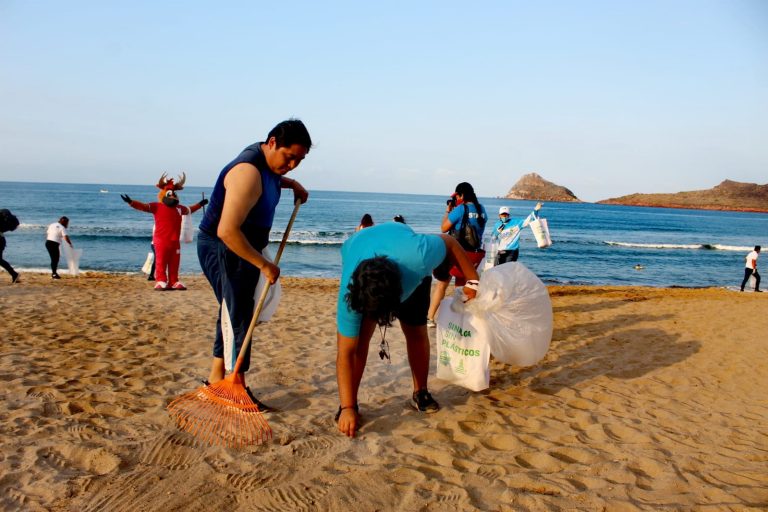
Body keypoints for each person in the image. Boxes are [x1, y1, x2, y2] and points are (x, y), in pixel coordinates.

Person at [197, 119, 312, 406]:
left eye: (300, 160)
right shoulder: (247, 172)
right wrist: (263, 264)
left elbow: (274, 175)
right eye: (290, 157)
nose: (293, 165)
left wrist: (291, 183)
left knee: (233, 309)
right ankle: (235, 386)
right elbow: (226, 231)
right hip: (225, 245)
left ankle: (216, 377)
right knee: (239, 315)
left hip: (245, 244)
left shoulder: (270, 164)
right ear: (272, 142)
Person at [336, 222, 480, 437]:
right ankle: (351, 404)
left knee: (415, 330)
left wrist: (473, 280)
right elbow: (345, 354)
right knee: (360, 341)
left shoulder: (418, 259)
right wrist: (346, 408)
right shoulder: (351, 294)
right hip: (361, 252)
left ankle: (421, 392)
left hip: (405, 260)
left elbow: (449, 242)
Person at [121, 174, 208, 291]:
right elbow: (143, 206)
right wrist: (131, 202)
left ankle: (174, 281)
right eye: (169, 193)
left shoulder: (179, 208)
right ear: (163, 194)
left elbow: (189, 210)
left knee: (174, 263)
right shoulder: (156, 206)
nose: (172, 196)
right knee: (161, 262)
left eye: (174, 194)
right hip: (161, 241)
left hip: (175, 242)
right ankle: (161, 280)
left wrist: (200, 204)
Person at [426, 182, 488, 328]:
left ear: (462, 195)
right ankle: (458, 319)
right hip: (473, 254)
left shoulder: (461, 209)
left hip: (457, 252)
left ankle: (430, 318)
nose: (457, 199)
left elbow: (444, 228)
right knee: (460, 287)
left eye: (458, 196)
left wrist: (448, 211)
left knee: (442, 283)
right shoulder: (482, 209)